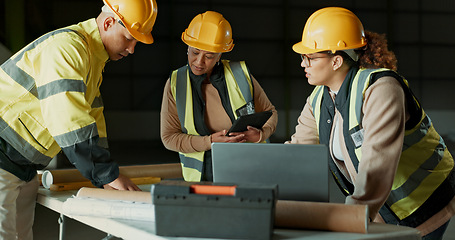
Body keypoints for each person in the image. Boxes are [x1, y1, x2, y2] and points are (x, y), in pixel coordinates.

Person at [288, 7, 454, 239]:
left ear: (336, 61)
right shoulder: (318, 98)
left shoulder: (382, 89)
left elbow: (378, 159)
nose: (303, 64)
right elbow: (297, 152)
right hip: (382, 210)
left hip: (424, 203)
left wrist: (352, 216)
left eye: (310, 57)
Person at [0, 0, 158, 238]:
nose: (132, 49)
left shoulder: (92, 60)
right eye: (128, 38)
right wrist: (106, 174)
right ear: (107, 22)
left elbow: (92, 117)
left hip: (23, 166)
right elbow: (68, 119)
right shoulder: (67, 49)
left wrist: (106, 177)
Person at [160, 11, 278, 182]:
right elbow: (169, 137)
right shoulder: (176, 83)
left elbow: (270, 112)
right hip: (202, 176)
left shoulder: (241, 75)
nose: (199, 62)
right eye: (194, 52)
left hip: (251, 167)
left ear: (220, 55)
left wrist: (261, 134)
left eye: (209, 56)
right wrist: (209, 142)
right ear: (187, 47)